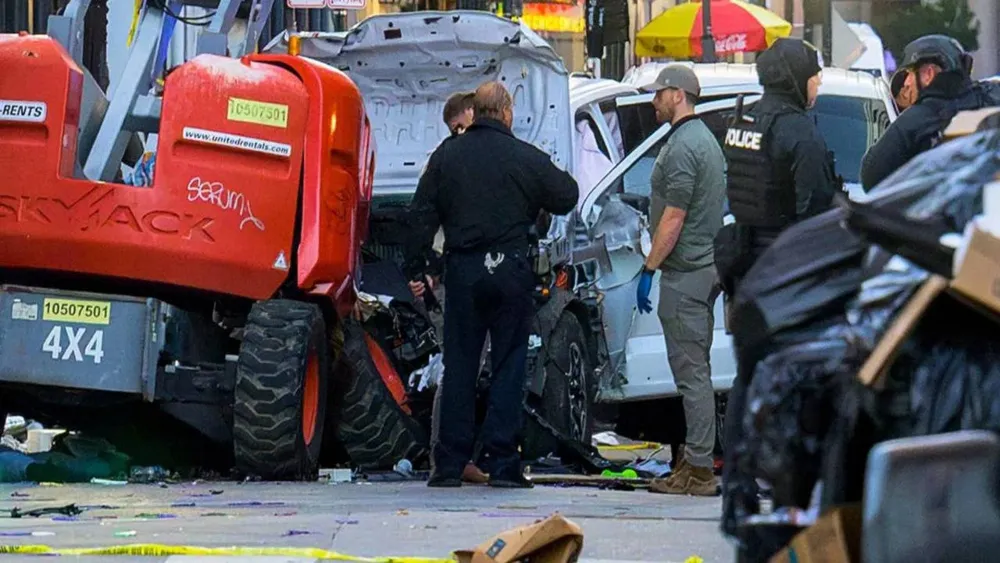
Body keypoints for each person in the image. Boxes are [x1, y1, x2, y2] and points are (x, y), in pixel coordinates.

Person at [404, 81, 578, 488]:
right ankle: (503, 463)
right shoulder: (523, 156)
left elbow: (419, 215)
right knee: (508, 365)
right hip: (510, 271)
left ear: (476, 112)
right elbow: (566, 194)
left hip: (463, 272)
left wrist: (419, 267)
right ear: (507, 112)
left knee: (460, 366)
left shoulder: (447, 156)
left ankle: (448, 465)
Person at [634, 65, 727, 496]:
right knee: (694, 370)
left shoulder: (685, 145)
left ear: (678, 95)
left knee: (692, 374)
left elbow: (674, 217)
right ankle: (692, 463)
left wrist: (649, 267)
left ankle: (701, 470)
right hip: (698, 269)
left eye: (659, 94)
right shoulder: (699, 139)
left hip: (686, 272)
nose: (653, 102)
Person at [715, 37, 836, 296]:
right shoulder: (799, 131)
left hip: (744, 261)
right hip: (787, 267)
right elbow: (815, 207)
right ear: (795, 79)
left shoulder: (745, 120)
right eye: (814, 76)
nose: (819, 82)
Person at [860, 34, 1000, 191]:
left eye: (909, 74)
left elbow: (871, 176)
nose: (906, 83)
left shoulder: (916, 120)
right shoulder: (991, 100)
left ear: (928, 73)